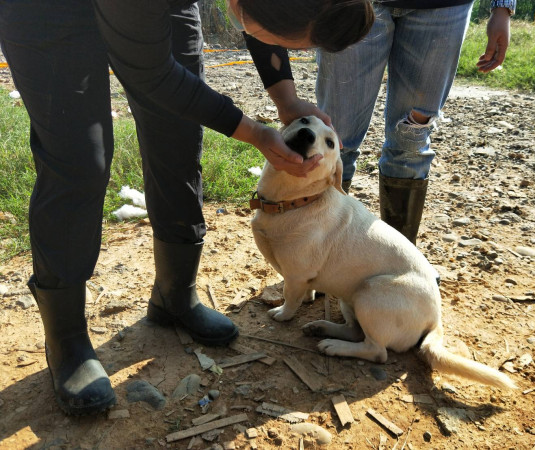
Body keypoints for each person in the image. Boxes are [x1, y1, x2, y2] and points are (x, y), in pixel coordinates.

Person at [0, 0, 374, 415]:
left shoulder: (265, 6)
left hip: (158, 10)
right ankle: (66, 336)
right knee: (78, 162)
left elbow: (262, 19)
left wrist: (285, 99)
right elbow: (152, 72)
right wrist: (252, 132)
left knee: (177, 141)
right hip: (48, 11)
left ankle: (173, 295)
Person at [316, 0, 516, 244]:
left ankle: (398, 262)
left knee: (411, 142)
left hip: (443, 10)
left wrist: (503, 7)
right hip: (353, 4)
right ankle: (321, 258)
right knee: (335, 139)